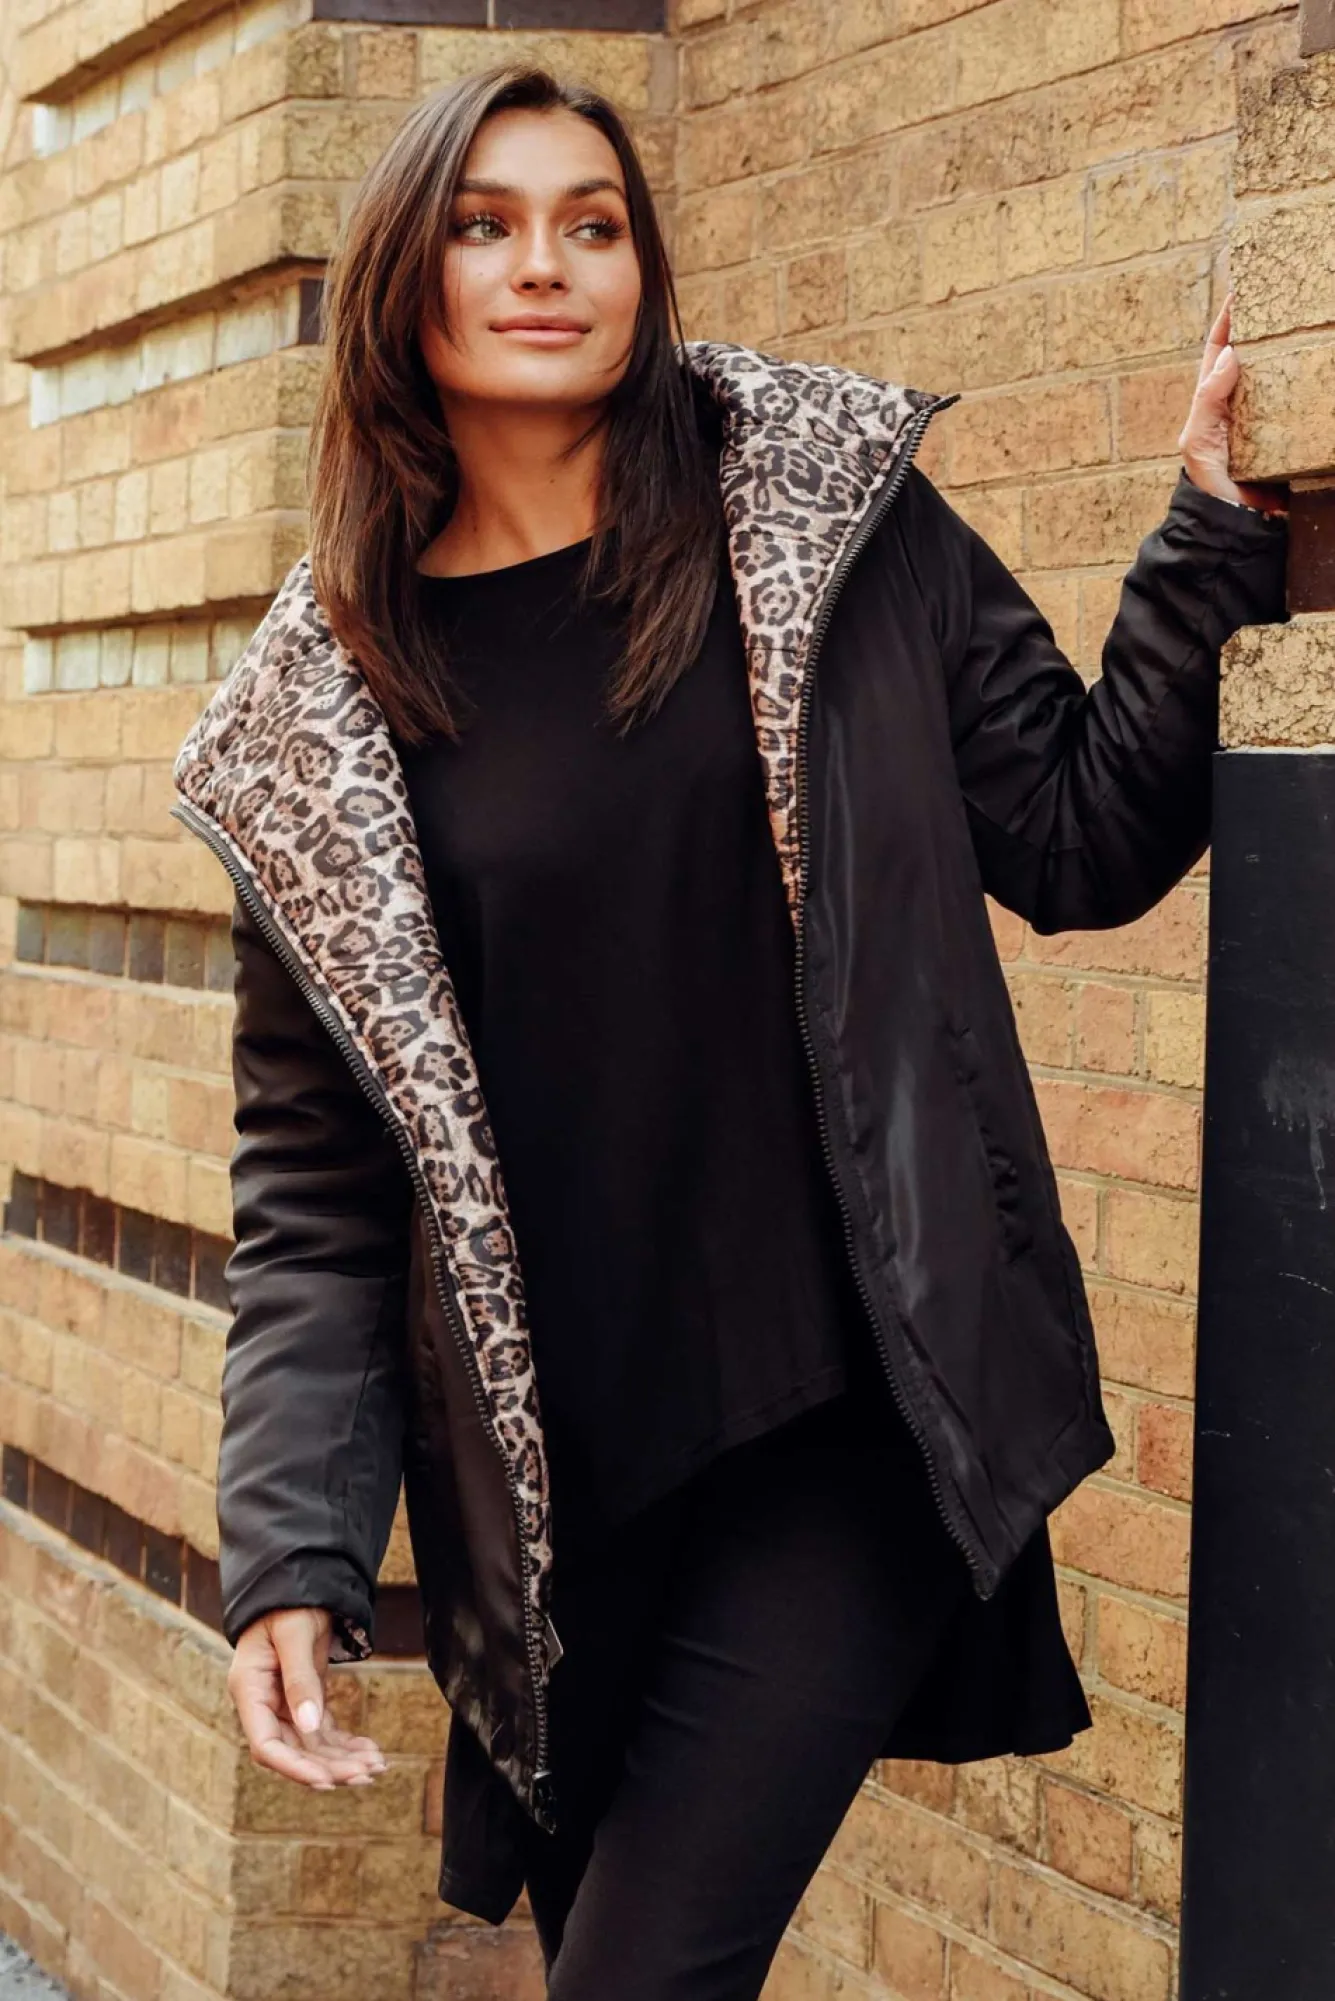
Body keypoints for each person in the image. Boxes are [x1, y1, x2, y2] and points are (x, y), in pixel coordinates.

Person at [171, 63, 1289, 2001]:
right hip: (560, 1499)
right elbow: (319, 1206)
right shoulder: (317, 722)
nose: (546, 265)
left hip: (845, 1413)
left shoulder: (822, 518)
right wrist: (288, 1550)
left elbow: (1080, 835)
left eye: (592, 223)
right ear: (401, 286)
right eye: (486, 225)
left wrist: (1203, 538)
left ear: (644, 267)